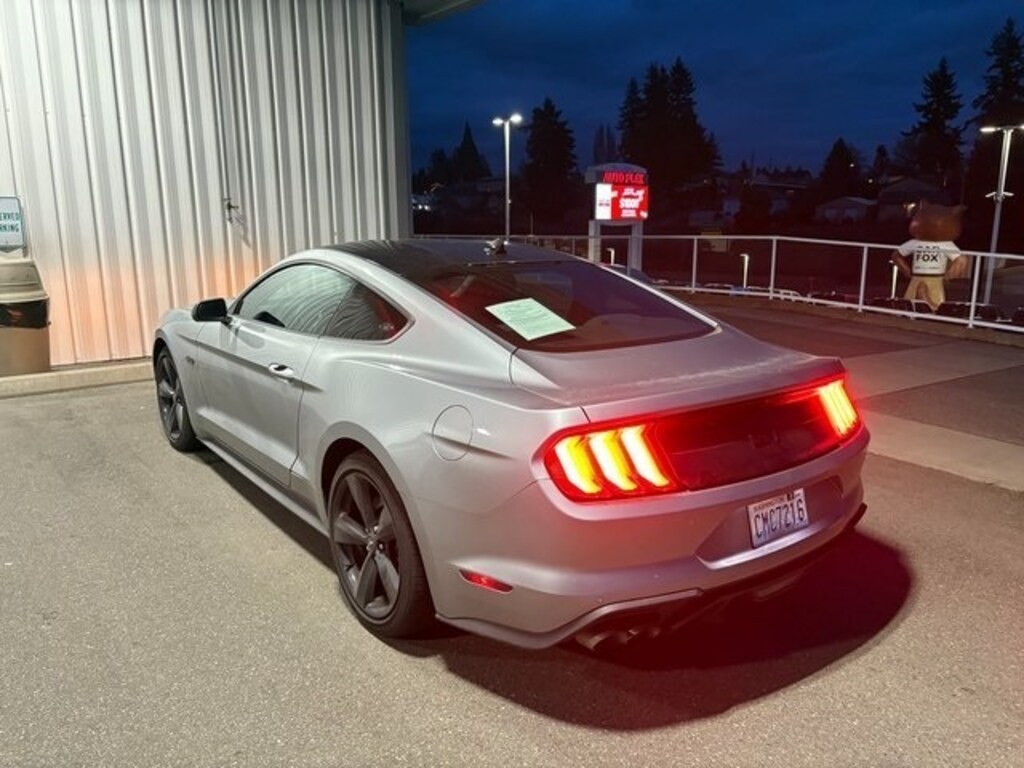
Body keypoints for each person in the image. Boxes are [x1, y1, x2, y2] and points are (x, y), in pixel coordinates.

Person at [890, 201, 968, 311]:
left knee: (934, 301)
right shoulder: (915, 242)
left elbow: (960, 260)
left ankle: (932, 311)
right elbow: (896, 255)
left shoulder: (945, 244)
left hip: (935, 278)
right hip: (917, 276)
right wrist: (905, 269)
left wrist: (950, 275)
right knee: (910, 302)